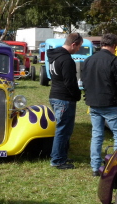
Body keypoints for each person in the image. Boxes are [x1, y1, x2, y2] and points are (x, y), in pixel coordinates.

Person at [81, 33, 117, 176]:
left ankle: (95, 167)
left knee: (97, 135)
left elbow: (84, 81)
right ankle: (114, 166)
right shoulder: (114, 61)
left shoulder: (88, 60)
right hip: (110, 103)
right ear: (114, 46)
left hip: (93, 103)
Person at [47, 33, 82, 169]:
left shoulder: (54, 57)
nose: (78, 50)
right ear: (73, 44)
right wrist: (77, 95)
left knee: (64, 129)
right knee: (63, 129)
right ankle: (57, 160)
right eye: (78, 47)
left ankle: (61, 155)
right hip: (64, 98)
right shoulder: (67, 60)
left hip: (55, 95)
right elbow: (70, 82)